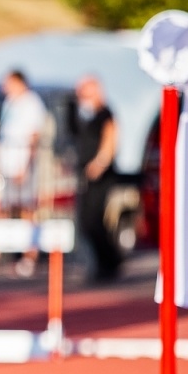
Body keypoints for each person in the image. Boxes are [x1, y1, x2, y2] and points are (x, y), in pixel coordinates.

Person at [0, 69, 49, 276]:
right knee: (4, 207)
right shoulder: (9, 102)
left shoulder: (31, 103)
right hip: (7, 164)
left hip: (22, 164)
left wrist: (25, 165)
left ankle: (30, 256)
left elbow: (34, 135)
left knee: (27, 208)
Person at [72, 75, 121, 281]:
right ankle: (101, 263)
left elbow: (111, 139)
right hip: (86, 173)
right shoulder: (82, 114)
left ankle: (111, 261)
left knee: (94, 219)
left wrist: (100, 162)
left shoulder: (105, 113)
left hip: (101, 175)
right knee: (85, 220)